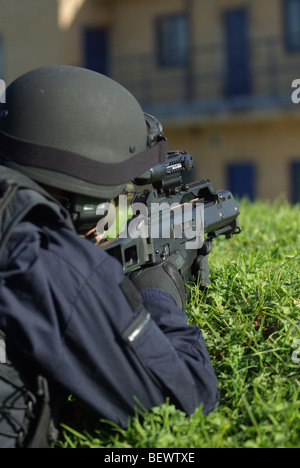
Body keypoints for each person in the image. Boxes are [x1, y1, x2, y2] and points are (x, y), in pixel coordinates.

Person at [0, 65, 219, 448]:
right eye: (113, 193)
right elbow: (187, 399)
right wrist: (157, 288)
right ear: (83, 195)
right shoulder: (38, 252)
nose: (114, 206)